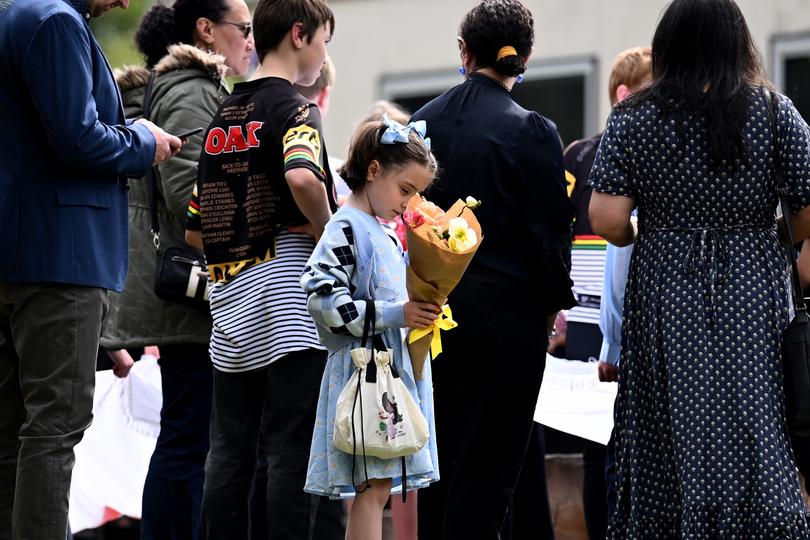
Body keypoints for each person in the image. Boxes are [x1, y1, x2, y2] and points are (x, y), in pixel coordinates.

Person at [588, 0, 810, 535]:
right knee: (754, 412)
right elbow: (804, 220)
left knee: (669, 417)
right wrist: (763, 235)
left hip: (666, 285)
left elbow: (607, 217)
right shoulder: (776, 113)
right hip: (752, 286)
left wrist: (653, 233)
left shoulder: (632, 117)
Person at [0, 0, 181, 538]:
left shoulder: (16, 15)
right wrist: (144, 140)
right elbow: (77, 138)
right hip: (61, 258)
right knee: (54, 429)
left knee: (13, 431)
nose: (124, 3)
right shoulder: (56, 19)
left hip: (19, 255)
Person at [411, 1, 576, 537]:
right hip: (510, 325)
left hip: (433, 319)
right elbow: (552, 232)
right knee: (489, 477)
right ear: (524, 57)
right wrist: (555, 303)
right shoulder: (532, 130)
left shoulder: (420, 124)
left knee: (439, 468)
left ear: (465, 52)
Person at [100, 1, 254, 538]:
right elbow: (192, 191)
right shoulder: (192, 89)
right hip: (194, 290)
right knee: (190, 437)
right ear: (206, 31)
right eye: (244, 29)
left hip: (176, 289)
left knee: (189, 434)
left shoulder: (179, 89)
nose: (250, 42)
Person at [196, 0, 337, 537]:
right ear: (299, 35)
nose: (325, 55)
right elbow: (303, 178)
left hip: (229, 304)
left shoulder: (219, 118)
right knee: (288, 450)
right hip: (286, 307)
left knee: (229, 451)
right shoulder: (298, 110)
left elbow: (194, 222)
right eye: (324, 39)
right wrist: (324, 226)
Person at [300, 116, 440, 540]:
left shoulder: (382, 230)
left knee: (377, 486)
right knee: (373, 485)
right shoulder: (345, 227)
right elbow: (324, 299)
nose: (409, 202)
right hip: (366, 376)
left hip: (386, 374)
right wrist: (396, 314)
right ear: (374, 169)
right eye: (405, 190)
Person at [561, 46, 651, 540]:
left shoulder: (653, 151)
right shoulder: (579, 156)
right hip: (584, 322)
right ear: (623, 94)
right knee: (597, 448)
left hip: (629, 321)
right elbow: (556, 235)